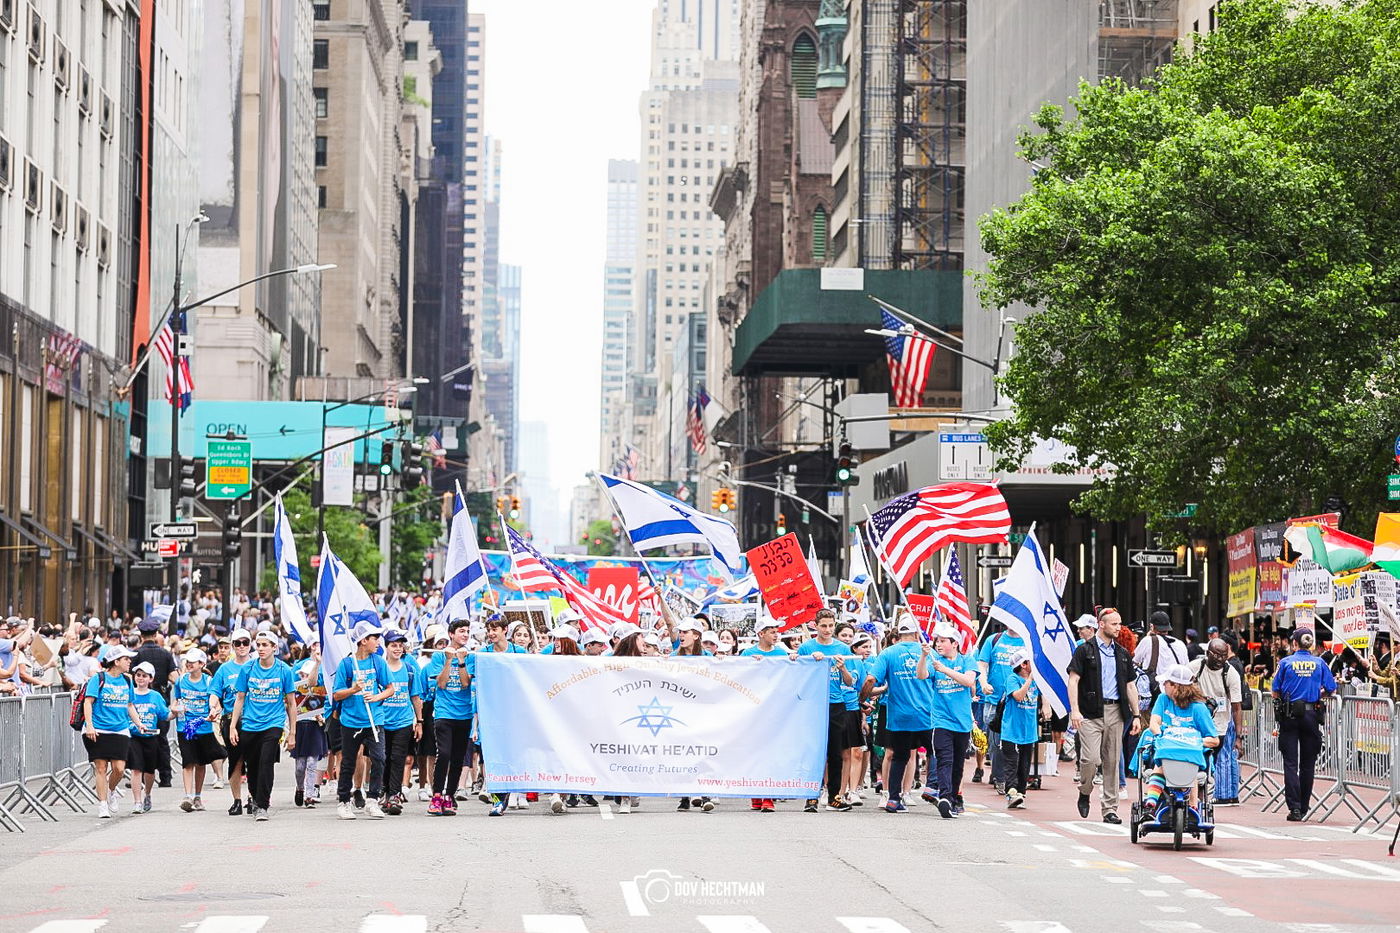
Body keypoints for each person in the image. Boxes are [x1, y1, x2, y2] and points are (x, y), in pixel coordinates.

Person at [1066, 608, 1140, 824]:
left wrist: (1136, 715)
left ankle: (1110, 809)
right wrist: (1075, 710)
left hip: (1116, 711)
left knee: (1112, 761)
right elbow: (1073, 680)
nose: (1119, 627)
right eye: (1114, 624)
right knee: (1090, 759)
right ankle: (1085, 790)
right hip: (1090, 712)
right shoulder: (1084, 651)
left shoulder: (1122, 654)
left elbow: (1130, 686)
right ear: (1102, 624)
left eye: (1119, 623)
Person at [859, 614, 932, 814]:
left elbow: (870, 680)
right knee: (936, 753)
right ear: (917, 633)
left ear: (899, 633)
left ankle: (892, 799)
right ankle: (935, 788)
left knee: (899, 757)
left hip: (899, 715)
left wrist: (861, 700)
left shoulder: (888, 653)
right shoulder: (928, 652)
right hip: (927, 714)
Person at [228, 630, 298, 821]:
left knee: (266, 762)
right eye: (258, 645)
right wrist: (233, 726)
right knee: (252, 765)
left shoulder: (284, 670)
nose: (260, 648)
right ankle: (255, 799)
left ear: (275, 648)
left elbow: (291, 703)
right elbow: (240, 698)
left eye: (265, 645)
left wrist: (292, 732)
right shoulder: (248, 669)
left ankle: (263, 804)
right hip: (250, 724)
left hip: (273, 723)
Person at [1271, 627, 1337, 821]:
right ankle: (1305, 805)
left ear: (1294, 643)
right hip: (1311, 714)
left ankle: (1295, 808)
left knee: (1290, 763)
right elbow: (1331, 688)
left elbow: (1275, 690)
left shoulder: (1285, 663)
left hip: (1289, 716)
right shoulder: (1320, 663)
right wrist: (1317, 695)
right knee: (1308, 764)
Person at [331, 621, 395, 821]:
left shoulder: (378, 662)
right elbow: (336, 695)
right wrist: (353, 690)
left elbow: (390, 688)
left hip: (374, 719)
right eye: (374, 638)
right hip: (351, 721)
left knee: (379, 758)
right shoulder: (347, 664)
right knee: (348, 761)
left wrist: (377, 697)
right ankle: (344, 801)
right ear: (363, 641)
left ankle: (373, 800)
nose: (378, 642)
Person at [1141, 664, 1220, 822]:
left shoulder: (1198, 708)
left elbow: (1214, 739)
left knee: (1188, 765)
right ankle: (1150, 804)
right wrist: (1162, 736)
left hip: (1190, 755)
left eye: (1166, 683)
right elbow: (1154, 723)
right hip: (1167, 751)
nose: (1163, 686)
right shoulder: (1163, 700)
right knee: (1163, 761)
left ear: (1175, 686)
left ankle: (1192, 807)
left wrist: (1194, 741)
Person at [797, 608, 857, 813]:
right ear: (815, 626)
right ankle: (811, 797)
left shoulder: (842, 648)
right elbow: (797, 677)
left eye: (831, 626)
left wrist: (842, 668)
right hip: (813, 703)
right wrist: (809, 662)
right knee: (814, 752)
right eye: (824, 625)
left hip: (836, 703)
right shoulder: (807, 647)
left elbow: (850, 682)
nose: (828, 630)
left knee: (836, 752)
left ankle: (834, 796)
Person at [81, 645, 146, 819]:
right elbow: (88, 702)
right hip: (98, 728)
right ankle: (102, 805)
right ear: (116, 661)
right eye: (126, 659)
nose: (129, 662)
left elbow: (130, 705)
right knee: (101, 768)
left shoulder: (127, 680)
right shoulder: (98, 678)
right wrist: (89, 725)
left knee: (119, 768)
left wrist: (139, 722)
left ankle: (110, 790)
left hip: (120, 729)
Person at [423, 619, 475, 816]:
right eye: (462, 631)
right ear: (451, 634)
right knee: (443, 753)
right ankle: (436, 794)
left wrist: (461, 661)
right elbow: (442, 684)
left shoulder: (470, 656)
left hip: (464, 714)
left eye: (467, 631)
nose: (465, 635)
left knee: (457, 757)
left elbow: (464, 684)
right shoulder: (438, 657)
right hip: (444, 712)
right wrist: (448, 660)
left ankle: (449, 796)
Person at [1189, 638, 1243, 806]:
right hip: (1196, 724)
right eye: (1217, 655)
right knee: (1198, 762)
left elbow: (1236, 707)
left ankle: (1218, 795)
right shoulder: (1195, 668)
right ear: (1208, 654)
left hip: (1220, 725)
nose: (1221, 660)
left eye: (1224, 656)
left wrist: (1239, 737)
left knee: (1215, 761)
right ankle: (1197, 799)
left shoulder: (1230, 673)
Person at [171, 647, 224, 812]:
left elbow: (217, 704)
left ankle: (198, 796)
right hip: (186, 726)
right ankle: (187, 796)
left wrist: (214, 711)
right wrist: (176, 708)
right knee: (188, 762)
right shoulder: (181, 680)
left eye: (193, 662)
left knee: (201, 763)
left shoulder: (209, 681)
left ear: (201, 663)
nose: (189, 664)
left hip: (204, 726)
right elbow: (176, 701)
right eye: (187, 661)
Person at [976, 622, 1027, 790]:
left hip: (1018, 701)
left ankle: (1012, 778)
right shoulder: (993, 640)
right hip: (994, 700)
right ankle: (1000, 777)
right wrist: (983, 683)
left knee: (1016, 741)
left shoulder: (1028, 642)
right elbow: (982, 665)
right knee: (995, 741)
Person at [209, 628, 254, 815]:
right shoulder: (225, 669)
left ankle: (253, 798)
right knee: (235, 761)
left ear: (250, 645)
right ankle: (237, 800)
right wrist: (213, 707)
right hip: (230, 720)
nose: (242, 646)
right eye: (238, 643)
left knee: (253, 761)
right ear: (233, 646)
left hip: (254, 719)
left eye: (245, 642)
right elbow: (215, 692)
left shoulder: (256, 665)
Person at [379, 630, 423, 815]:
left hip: (403, 721)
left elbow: (415, 697)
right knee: (382, 758)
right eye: (393, 645)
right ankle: (385, 791)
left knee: (398, 757)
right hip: (382, 720)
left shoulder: (410, 668)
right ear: (386, 647)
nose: (397, 648)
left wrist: (419, 721)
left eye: (400, 645)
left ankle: (395, 795)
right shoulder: (380, 667)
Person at [135, 616, 177, 788]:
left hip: (139, 702)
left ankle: (143, 776)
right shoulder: (165, 654)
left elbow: (132, 678)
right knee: (161, 740)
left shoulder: (137, 654)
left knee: (140, 740)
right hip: (160, 699)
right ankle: (165, 776)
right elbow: (174, 677)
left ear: (141, 635)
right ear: (156, 633)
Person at [127, 662, 171, 813]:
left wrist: (177, 712)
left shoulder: (155, 696)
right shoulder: (129, 693)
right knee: (136, 768)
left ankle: (147, 794)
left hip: (151, 736)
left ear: (151, 679)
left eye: (144, 676)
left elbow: (165, 715)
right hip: (134, 736)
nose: (140, 678)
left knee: (150, 770)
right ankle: (137, 802)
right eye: (138, 675)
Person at [999, 649, 1040, 809]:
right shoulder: (1012, 678)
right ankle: (1011, 792)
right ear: (1023, 665)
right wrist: (1029, 680)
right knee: (1011, 763)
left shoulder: (1036, 680)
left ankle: (1021, 792)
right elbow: (1018, 696)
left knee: (1024, 764)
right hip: (1011, 730)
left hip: (1028, 730)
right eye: (1030, 661)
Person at [291, 643, 328, 809]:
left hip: (314, 727)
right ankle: (300, 788)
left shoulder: (319, 689)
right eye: (303, 674)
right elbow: (288, 708)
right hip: (300, 727)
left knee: (312, 763)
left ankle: (310, 794)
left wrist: (321, 717)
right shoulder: (294, 692)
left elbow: (325, 706)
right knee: (300, 766)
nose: (305, 677)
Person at [1134, 611, 1188, 698]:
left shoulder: (1148, 641)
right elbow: (1186, 667)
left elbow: (1134, 662)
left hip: (1155, 692)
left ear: (1152, 626)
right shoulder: (1180, 643)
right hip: (1178, 693)